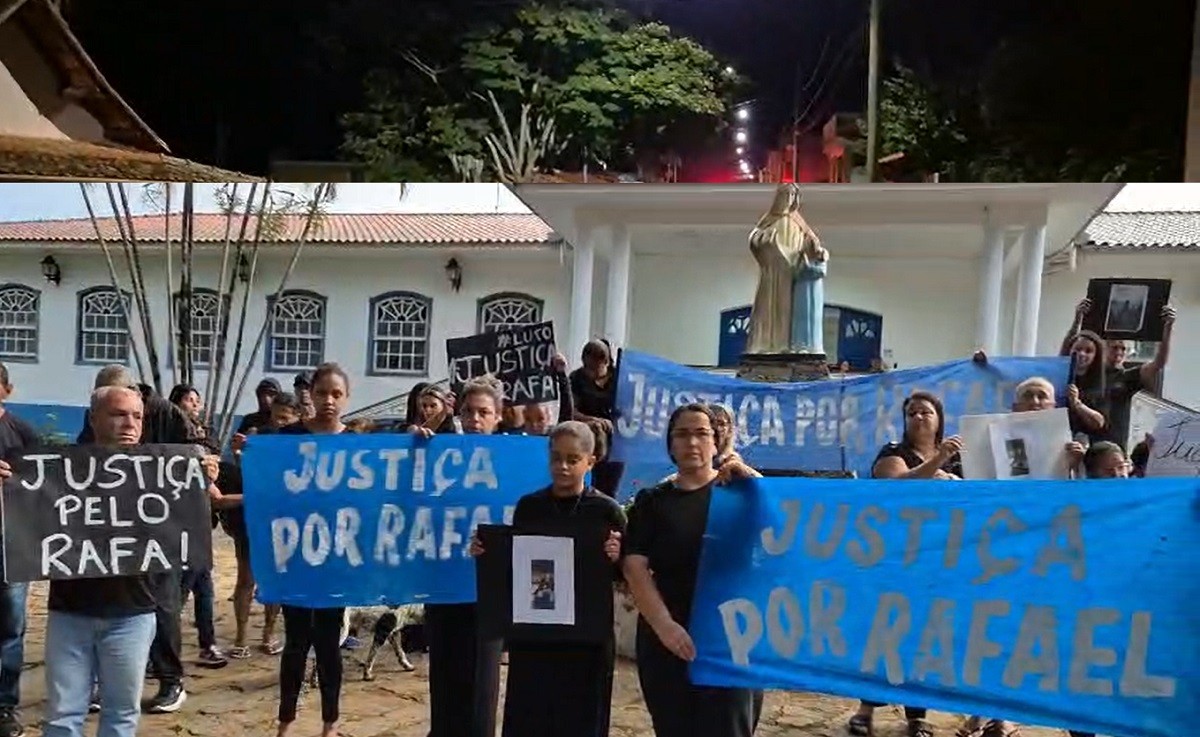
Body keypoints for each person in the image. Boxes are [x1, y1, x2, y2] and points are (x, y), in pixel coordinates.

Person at [6, 385, 210, 737]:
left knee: (121, 714)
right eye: (118, 414)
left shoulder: (160, 471)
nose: (129, 424)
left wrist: (201, 482)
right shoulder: (59, 470)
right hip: (69, 612)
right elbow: (25, 529)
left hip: (133, 613)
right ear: (93, 418)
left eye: (137, 416)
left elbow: (188, 528)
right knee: (63, 715)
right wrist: (6, 491)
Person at [470, 421, 625, 737]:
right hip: (536, 639)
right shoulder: (530, 507)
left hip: (587, 640)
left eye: (572, 459)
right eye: (556, 458)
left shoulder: (607, 511)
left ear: (590, 462)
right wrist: (487, 551)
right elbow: (517, 565)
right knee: (530, 717)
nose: (563, 467)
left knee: (582, 721)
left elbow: (626, 574)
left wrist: (617, 557)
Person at [622, 402, 763, 737]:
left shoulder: (741, 494)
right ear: (671, 444)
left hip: (732, 638)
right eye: (682, 434)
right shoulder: (652, 502)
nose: (692, 442)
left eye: (702, 433)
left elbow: (784, 532)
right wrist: (665, 627)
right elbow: (634, 567)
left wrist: (753, 479)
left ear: (716, 441)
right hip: (668, 640)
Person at [78, 366, 194, 714]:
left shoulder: (168, 412)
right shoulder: (94, 420)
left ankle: (172, 680)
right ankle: (103, 681)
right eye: (110, 411)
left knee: (164, 606)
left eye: (129, 412)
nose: (123, 421)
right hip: (113, 532)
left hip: (161, 529)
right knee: (108, 605)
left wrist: (204, 465)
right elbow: (80, 463)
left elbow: (199, 447)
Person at [851, 390, 960, 737]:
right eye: (912, 413)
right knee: (885, 630)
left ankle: (917, 715)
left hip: (937, 558)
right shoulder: (894, 453)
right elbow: (896, 484)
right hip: (896, 556)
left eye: (926, 412)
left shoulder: (957, 459)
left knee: (922, 636)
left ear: (940, 419)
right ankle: (865, 710)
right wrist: (936, 464)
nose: (919, 418)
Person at [271, 364, 353, 737]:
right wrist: (249, 457)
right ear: (311, 395)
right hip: (296, 555)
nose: (329, 401)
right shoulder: (287, 438)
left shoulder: (359, 444)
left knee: (329, 644)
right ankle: (285, 721)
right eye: (322, 393)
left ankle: (329, 723)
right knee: (296, 641)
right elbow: (270, 487)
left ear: (346, 398)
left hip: (338, 557)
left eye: (336, 394)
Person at [425, 377, 504, 737]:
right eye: (469, 411)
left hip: (487, 592)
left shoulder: (511, 460)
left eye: (484, 413)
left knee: (482, 681)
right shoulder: (438, 455)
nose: (475, 419)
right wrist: (418, 438)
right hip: (443, 586)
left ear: (497, 417)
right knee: (444, 674)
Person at [1061, 298, 1176, 448]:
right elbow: (1067, 355)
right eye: (1114, 347)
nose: (1119, 352)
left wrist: (1167, 328)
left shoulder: (1127, 377)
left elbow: (1158, 363)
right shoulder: (1088, 374)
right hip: (1082, 444)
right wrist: (1078, 319)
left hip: (1113, 445)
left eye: (1123, 348)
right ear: (1102, 348)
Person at [167, 383, 227, 669]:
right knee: (176, 594)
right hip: (175, 531)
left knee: (204, 589)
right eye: (187, 400)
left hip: (200, 530)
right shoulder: (166, 443)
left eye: (196, 400)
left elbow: (216, 495)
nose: (193, 405)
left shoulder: (205, 441)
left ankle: (207, 644)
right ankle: (163, 651)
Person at [0, 363, 37, 737]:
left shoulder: (23, 432)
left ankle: (5, 706)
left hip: (12, 542)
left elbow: (44, 487)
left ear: (7, 390)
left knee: (11, 628)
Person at [570, 340, 621, 496]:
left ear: (605, 362)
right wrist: (591, 420)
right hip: (589, 437)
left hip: (617, 438)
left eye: (594, 369)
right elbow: (569, 409)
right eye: (587, 368)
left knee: (610, 486)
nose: (589, 373)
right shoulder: (576, 378)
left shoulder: (621, 377)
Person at [1061, 331, 1111, 443]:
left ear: (1095, 356)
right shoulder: (1057, 377)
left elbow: (1100, 422)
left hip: (1086, 443)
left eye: (1088, 351)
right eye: (1077, 349)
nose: (1082, 354)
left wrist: (1077, 404)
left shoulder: (1102, 384)